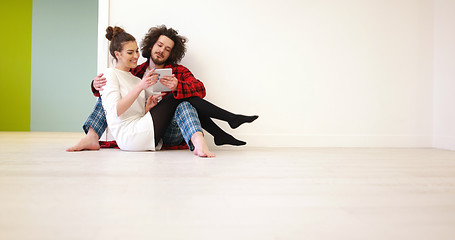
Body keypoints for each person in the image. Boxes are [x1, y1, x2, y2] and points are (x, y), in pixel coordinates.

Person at [68, 25, 258, 157]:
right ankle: (91, 136)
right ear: (151, 45)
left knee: (182, 100)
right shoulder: (134, 71)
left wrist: (178, 86)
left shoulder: (178, 71)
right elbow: (112, 100)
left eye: (167, 49)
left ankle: (213, 134)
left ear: (171, 53)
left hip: (172, 128)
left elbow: (200, 89)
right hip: (143, 129)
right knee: (106, 97)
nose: (161, 51)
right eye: (159, 45)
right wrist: (96, 84)